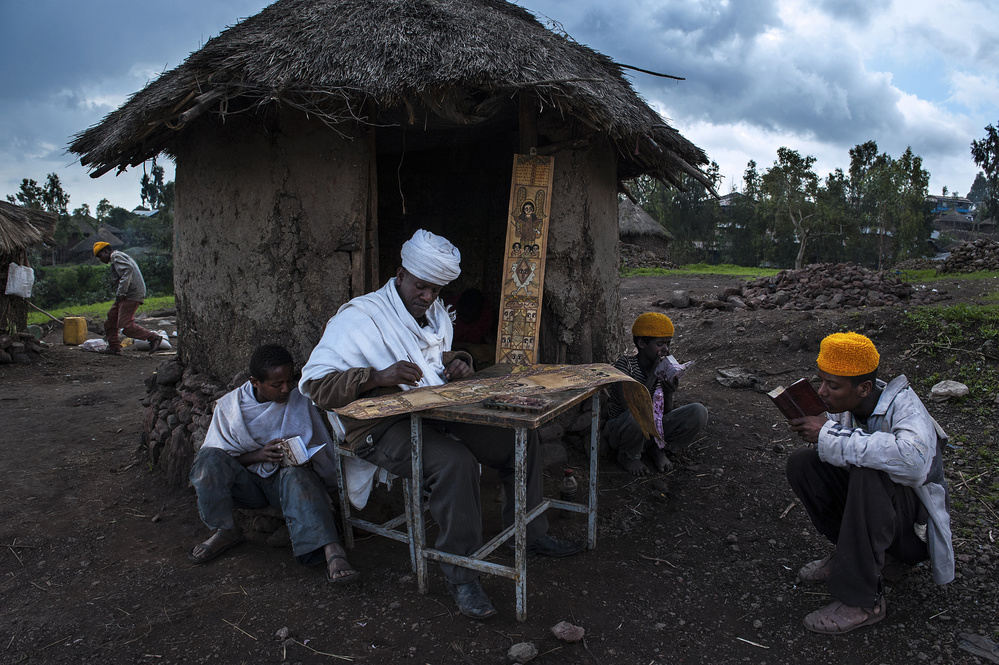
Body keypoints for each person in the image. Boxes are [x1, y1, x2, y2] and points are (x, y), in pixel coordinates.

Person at [299, 229, 583, 620]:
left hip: (434, 410)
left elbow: (432, 355)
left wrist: (459, 362)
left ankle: (530, 534)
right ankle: (461, 574)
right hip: (378, 425)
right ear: (400, 274)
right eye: (421, 287)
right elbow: (316, 386)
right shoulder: (360, 318)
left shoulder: (431, 315)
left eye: (436, 290)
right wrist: (375, 377)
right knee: (455, 463)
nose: (428, 297)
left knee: (519, 438)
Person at [785, 332, 954, 634]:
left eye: (832, 386)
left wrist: (828, 435)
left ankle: (864, 601)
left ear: (864, 388)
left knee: (871, 468)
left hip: (912, 535)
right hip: (879, 519)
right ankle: (852, 556)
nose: (822, 391)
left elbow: (913, 465)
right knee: (804, 464)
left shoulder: (907, 409)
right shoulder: (850, 408)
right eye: (820, 381)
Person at [188, 344, 360, 585]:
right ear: (255, 382)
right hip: (246, 486)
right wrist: (258, 455)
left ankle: (332, 549)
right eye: (276, 384)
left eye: (289, 381)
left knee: (296, 474)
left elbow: (319, 446)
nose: (285, 389)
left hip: (286, 487)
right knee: (207, 459)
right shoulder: (230, 407)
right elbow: (221, 456)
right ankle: (225, 530)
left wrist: (303, 460)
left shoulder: (298, 400)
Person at [605, 312, 708, 476]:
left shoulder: (664, 368)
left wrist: (669, 393)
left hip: (651, 429)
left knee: (698, 411)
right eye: (660, 344)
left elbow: (665, 413)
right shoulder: (625, 365)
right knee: (637, 415)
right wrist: (653, 375)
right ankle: (628, 455)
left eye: (668, 344)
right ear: (642, 343)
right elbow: (630, 407)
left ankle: (658, 448)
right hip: (624, 431)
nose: (665, 349)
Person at [93, 241, 162, 355]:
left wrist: (121, 291)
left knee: (127, 326)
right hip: (124, 294)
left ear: (106, 251)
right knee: (111, 319)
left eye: (100, 256)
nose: (100, 259)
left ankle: (153, 337)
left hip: (130, 294)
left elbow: (127, 269)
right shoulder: (117, 257)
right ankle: (114, 347)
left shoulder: (116, 256)